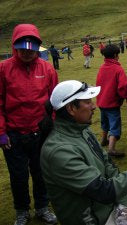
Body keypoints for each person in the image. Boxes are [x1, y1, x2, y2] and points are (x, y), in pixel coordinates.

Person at [39, 80, 127, 225]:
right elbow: (104, 191)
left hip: (107, 203)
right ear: (71, 108)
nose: (94, 106)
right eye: (88, 102)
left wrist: (124, 206)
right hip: (94, 218)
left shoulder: (83, 130)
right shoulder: (58, 151)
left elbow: (108, 166)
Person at [0, 24, 58, 225]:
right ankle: (21, 210)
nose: (26, 52)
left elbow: (54, 101)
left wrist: (54, 128)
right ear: (15, 47)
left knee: (41, 172)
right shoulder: (3, 68)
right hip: (13, 135)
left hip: (41, 131)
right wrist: (1, 132)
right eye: (22, 48)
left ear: (36, 47)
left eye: (30, 49)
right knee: (18, 175)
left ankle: (42, 207)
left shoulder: (47, 68)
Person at [96, 44, 127, 157]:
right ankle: (111, 149)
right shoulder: (118, 69)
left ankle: (104, 139)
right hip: (112, 103)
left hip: (101, 101)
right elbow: (123, 87)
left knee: (104, 122)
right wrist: (126, 96)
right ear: (115, 55)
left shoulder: (102, 67)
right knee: (114, 125)